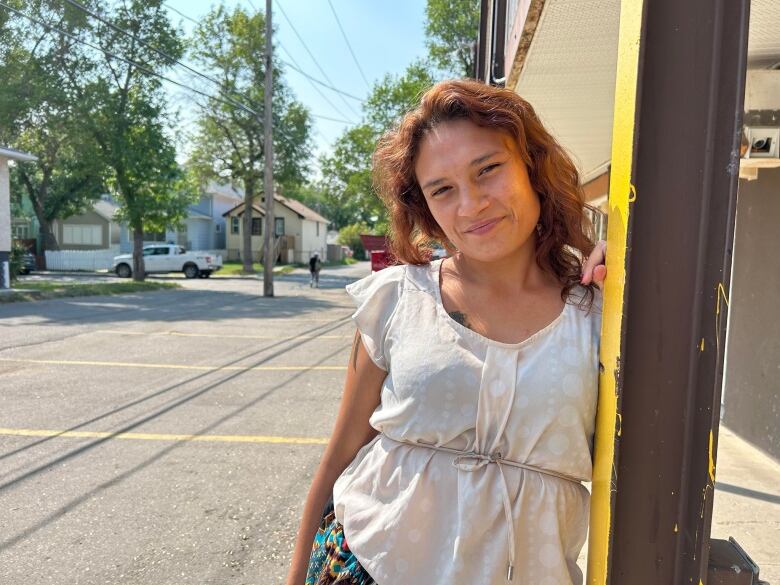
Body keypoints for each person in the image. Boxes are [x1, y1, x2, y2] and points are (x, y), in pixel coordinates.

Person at [287, 79, 607, 585]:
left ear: (531, 165)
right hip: (368, 565)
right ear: (425, 209)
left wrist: (639, 272)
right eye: (443, 189)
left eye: (488, 170)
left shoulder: (598, 316)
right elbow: (341, 452)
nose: (471, 204)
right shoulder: (395, 298)